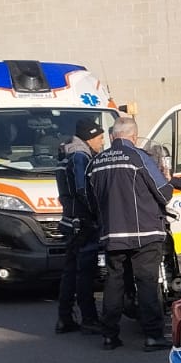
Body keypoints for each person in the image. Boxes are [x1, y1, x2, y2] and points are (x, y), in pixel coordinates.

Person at [87, 114, 172, 351]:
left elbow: (90, 201)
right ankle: (153, 335)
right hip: (144, 233)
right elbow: (164, 192)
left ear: (113, 136)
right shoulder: (139, 157)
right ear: (134, 137)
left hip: (112, 234)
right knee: (146, 282)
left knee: (114, 283)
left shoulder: (96, 162)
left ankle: (109, 335)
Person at [54, 117, 105, 334]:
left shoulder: (68, 152)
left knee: (70, 272)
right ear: (89, 137)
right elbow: (84, 190)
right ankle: (89, 318)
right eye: (100, 138)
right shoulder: (80, 156)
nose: (102, 143)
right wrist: (98, 213)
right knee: (85, 272)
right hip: (82, 223)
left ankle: (64, 318)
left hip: (70, 220)